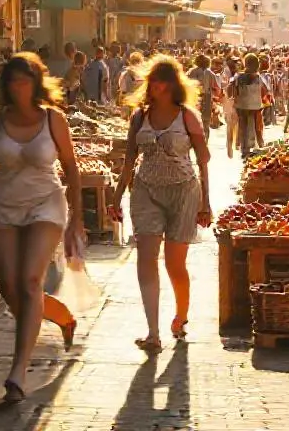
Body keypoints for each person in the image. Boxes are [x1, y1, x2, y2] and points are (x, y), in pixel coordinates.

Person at [0, 53, 85, 402]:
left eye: (25, 80)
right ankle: (59, 317)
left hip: (45, 204)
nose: (19, 87)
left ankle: (18, 371)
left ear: (36, 83)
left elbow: (71, 167)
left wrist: (77, 218)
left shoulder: (53, 119)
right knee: (9, 285)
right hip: (2, 206)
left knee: (30, 280)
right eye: (13, 81)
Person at [109, 56, 212, 353]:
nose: (157, 86)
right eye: (153, 80)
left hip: (184, 192)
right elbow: (130, 160)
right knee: (146, 257)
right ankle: (153, 332)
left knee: (174, 263)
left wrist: (206, 202)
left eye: (163, 80)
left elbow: (203, 160)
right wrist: (116, 197)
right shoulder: (139, 117)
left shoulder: (187, 116)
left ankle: (181, 315)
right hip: (146, 191)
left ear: (173, 84)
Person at [229, 54, 267, 159]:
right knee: (256, 126)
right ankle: (255, 146)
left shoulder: (238, 76)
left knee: (243, 126)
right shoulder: (258, 77)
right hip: (255, 106)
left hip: (241, 105)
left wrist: (236, 98)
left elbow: (232, 90)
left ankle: (244, 149)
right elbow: (265, 90)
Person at [186, 55, 221, 141]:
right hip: (207, 98)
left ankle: (195, 139)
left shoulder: (192, 72)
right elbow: (217, 88)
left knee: (194, 119)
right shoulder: (210, 73)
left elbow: (187, 85)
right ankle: (205, 140)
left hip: (194, 98)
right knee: (206, 121)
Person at [220, 56, 240, 158]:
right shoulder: (227, 73)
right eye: (234, 62)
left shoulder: (232, 74)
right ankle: (231, 146)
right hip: (230, 103)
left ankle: (233, 145)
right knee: (231, 125)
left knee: (233, 125)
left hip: (230, 103)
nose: (236, 64)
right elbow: (225, 88)